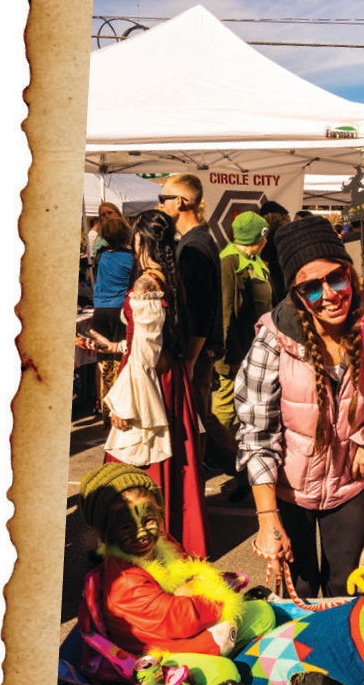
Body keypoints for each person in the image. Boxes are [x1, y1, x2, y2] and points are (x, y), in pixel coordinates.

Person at [234, 215, 364, 598]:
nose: (331, 295)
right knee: (299, 590)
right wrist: (267, 517)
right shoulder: (273, 340)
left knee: (343, 586)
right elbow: (256, 432)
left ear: (351, 274)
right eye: (312, 287)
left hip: (349, 486)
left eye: (337, 279)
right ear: (296, 294)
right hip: (289, 488)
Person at [78, 463, 276, 685]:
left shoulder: (163, 545)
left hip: (189, 630)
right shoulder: (125, 581)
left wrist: (194, 589)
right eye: (126, 527)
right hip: (158, 652)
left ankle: (256, 664)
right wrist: (214, 595)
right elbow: (180, 619)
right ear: (106, 532)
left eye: (148, 520)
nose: (141, 532)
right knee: (226, 672)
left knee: (262, 613)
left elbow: (189, 576)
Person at [87, 208, 212, 558]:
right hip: (167, 381)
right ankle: (174, 539)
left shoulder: (146, 284)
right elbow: (151, 345)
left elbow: (144, 356)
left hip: (148, 383)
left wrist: (124, 405)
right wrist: (113, 346)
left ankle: (143, 548)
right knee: (172, 467)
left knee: (135, 470)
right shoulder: (169, 279)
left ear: (141, 241)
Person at [156, 173, 225, 467]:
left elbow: (200, 309)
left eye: (163, 199)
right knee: (197, 423)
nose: (160, 206)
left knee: (192, 426)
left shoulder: (193, 247)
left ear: (181, 202)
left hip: (193, 355)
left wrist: (190, 360)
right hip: (196, 354)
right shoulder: (197, 240)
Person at [212, 211, 272, 466]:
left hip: (256, 348)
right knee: (225, 405)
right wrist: (232, 356)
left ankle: (231, 453)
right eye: (265, 234)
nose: (267, 239)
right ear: (256, 236)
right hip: (238, 352)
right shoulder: (230, 262)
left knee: (243, 406)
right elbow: (226, 312)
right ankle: (212, 453)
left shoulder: (254, 260)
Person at [91, 215, 133, 425]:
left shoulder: (100, 256)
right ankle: (119, 407)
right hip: (121, 310)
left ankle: (105, 407)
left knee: (102, 361)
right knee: (120, 359)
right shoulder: (132, 257)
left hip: (100, 309)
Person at [258, 201, 290, 305]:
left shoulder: (272, 236)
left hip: (276, 285)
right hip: (290, 283)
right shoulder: (289, 232)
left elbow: (264, 264)